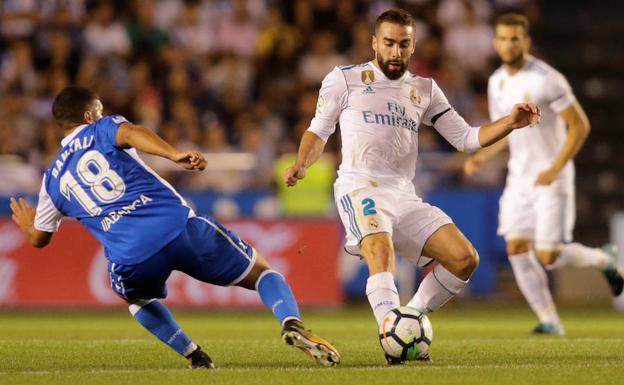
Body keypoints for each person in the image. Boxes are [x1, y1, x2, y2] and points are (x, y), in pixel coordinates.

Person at [9, 86, 340, 368]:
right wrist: (173, 153)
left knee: (137, 300)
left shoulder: (51, 180)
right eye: (98, 111)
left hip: (133, 258)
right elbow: (131, 133)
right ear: (88, 116)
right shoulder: (103, 128)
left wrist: (27, 225)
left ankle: (195, 355)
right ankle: (291, 321)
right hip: (177, 227)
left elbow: (40, 239)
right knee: (263, 272)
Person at [283, 9, 541, 364]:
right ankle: (393, 339)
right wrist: (302, 163)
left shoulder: (424, 89)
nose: (395, 52)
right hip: (360, 186)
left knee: (465, 259)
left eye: (403, 44)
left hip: (403, 193)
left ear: (413, 46)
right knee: (380, 251)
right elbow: (318, 131)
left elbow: (466, 138)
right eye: (388, 43)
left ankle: (408, 322)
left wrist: (511, 122)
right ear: (374, 42)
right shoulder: (344, 79)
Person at [464, 13, 623, 336]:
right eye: (504, 38)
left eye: (515, 38)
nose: (509, 44)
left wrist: (555, 167)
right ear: (495, 42)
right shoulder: (497, 82)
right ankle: (550, 319)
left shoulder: (547, 79)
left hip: (553, 175)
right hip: (519, 178)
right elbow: (507, 130)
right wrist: (482, 156)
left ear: (526, 41)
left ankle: (603, 259)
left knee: (549, 255)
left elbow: (580, 125)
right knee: (517, 249)